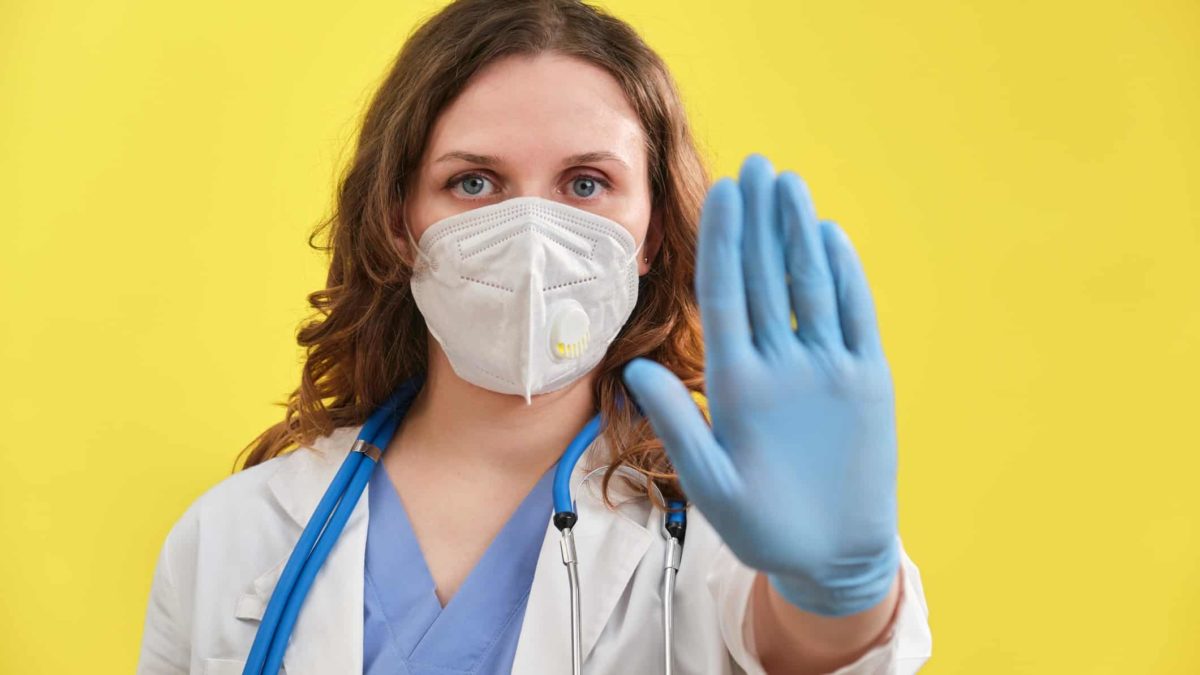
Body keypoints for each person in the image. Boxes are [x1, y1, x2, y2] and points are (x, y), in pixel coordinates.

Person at [136, 1, 932, 673]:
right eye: (473, 181)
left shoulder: (718, 528)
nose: (532, 235)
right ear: (398, 221)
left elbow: (811, 648)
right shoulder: (233, 536)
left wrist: (840, 591)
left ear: (650, 233)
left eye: (586, 184)